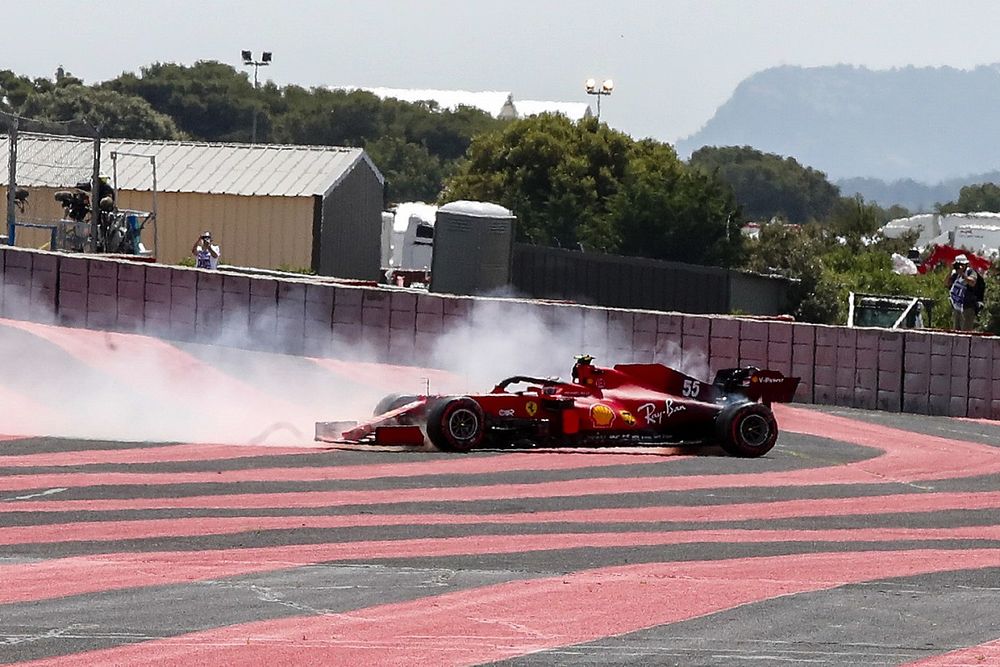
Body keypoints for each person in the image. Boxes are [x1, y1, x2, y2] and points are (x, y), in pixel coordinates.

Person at [946, 254, 984, 330]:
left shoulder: (970, 272)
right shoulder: (956, 275)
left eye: (960, 265)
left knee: (965, 333)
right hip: (957, 308)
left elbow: (972, 282)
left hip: (967, 308)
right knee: (956, 332)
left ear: (965, 265)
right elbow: (947, 283)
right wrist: (950, 271)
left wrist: (963, 275)